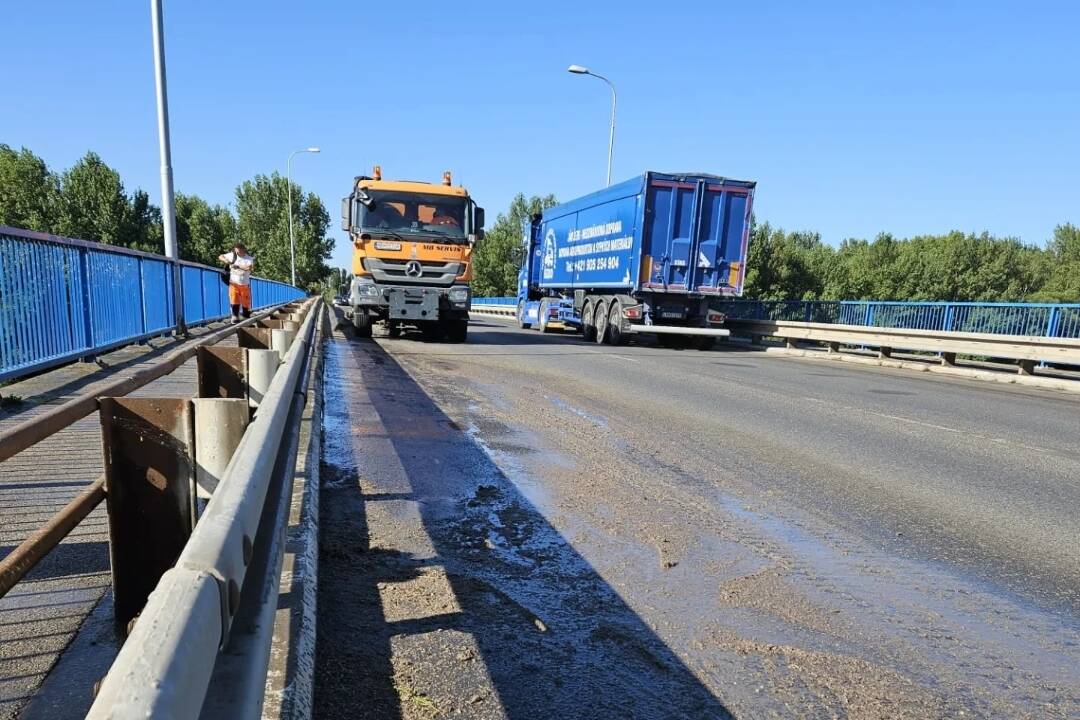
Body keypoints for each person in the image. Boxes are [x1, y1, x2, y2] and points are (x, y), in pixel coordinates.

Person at [218, 243, 254, 323]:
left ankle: (246, 316)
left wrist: (236, 266)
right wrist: (225, 260)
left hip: (244, 284)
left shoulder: (249, 258)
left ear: (243, 249)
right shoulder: (232, 255)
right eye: (236, 248)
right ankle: (235, 317)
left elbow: (248, 267)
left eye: (239, 248)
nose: (237, 250)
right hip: (233, 282)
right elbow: (220, 256)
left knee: (246, 302)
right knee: (234, 299)